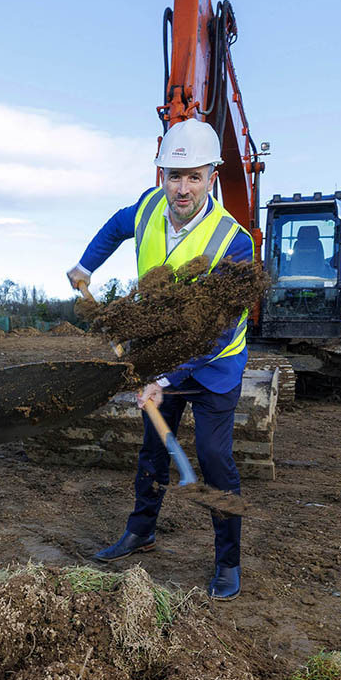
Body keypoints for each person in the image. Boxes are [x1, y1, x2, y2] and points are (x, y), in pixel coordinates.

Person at [66, 118, 253, 601]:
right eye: (174, 175)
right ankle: (140, 530)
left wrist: (166, 379)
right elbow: (116, 225)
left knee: (214, 458)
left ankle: (227, 562)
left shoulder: (232, 240)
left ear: (212, 176)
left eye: (194, 176)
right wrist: (86, 265)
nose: (182, 188)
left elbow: (219, 330)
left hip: (213, 366)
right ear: (161, 175)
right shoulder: (149, 207)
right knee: (153, 449)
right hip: (161, 354)